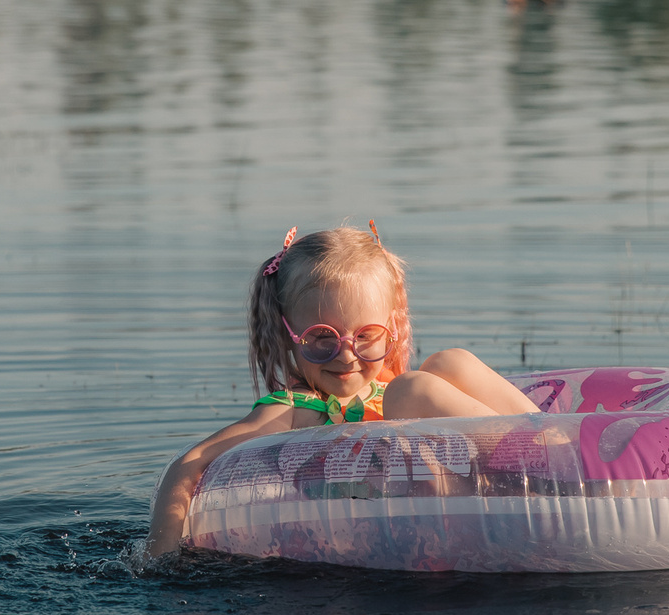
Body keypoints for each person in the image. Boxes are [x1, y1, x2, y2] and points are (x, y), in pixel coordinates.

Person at [144, 223, 536, 557]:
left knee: (449, 362)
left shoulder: (391, 391)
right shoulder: (296, 409)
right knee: (410, 388)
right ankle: (535, 455)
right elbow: (190, 463)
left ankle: (551, 439)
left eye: (367, 336)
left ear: (392, 328)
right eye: (321, 338)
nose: (346, 357)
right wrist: (158, 559)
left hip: (480, 483)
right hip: (394, 526)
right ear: (288, 335)